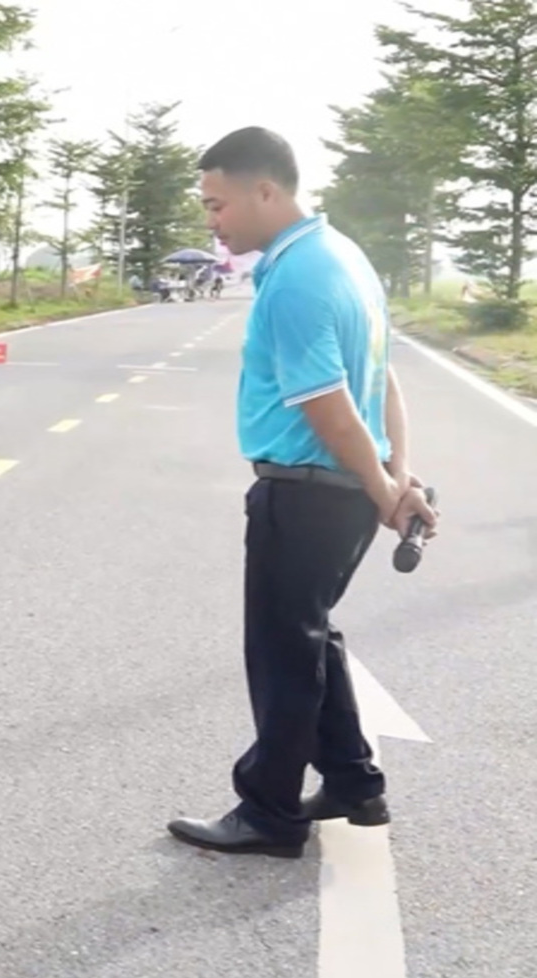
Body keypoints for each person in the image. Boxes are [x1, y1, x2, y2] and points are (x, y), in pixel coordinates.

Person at [168, 127, 437, 858]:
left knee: (284, 651)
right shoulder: (345, 257)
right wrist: (395, 473)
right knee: (310, 634)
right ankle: (353, 782)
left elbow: (327, 400)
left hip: (307, 494)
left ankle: (270, 811)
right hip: (342, 490)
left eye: (217, 204)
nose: (211, 220)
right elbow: (383, 376)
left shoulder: (294, 277)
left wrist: (386, 486)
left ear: (267, 191)